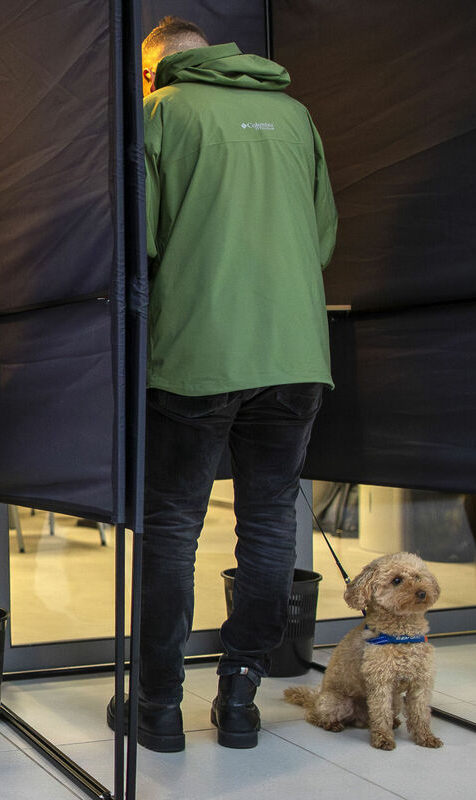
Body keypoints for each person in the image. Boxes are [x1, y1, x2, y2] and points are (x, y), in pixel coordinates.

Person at [109, 17, 337, 752]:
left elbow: (136, 241)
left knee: (172, 527)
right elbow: (322, 234)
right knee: (269, 522)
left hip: (198, 353)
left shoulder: (162, 114)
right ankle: (240, 699)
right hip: (297, 354)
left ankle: (157, 707)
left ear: (154, 71)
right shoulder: (296, 115)